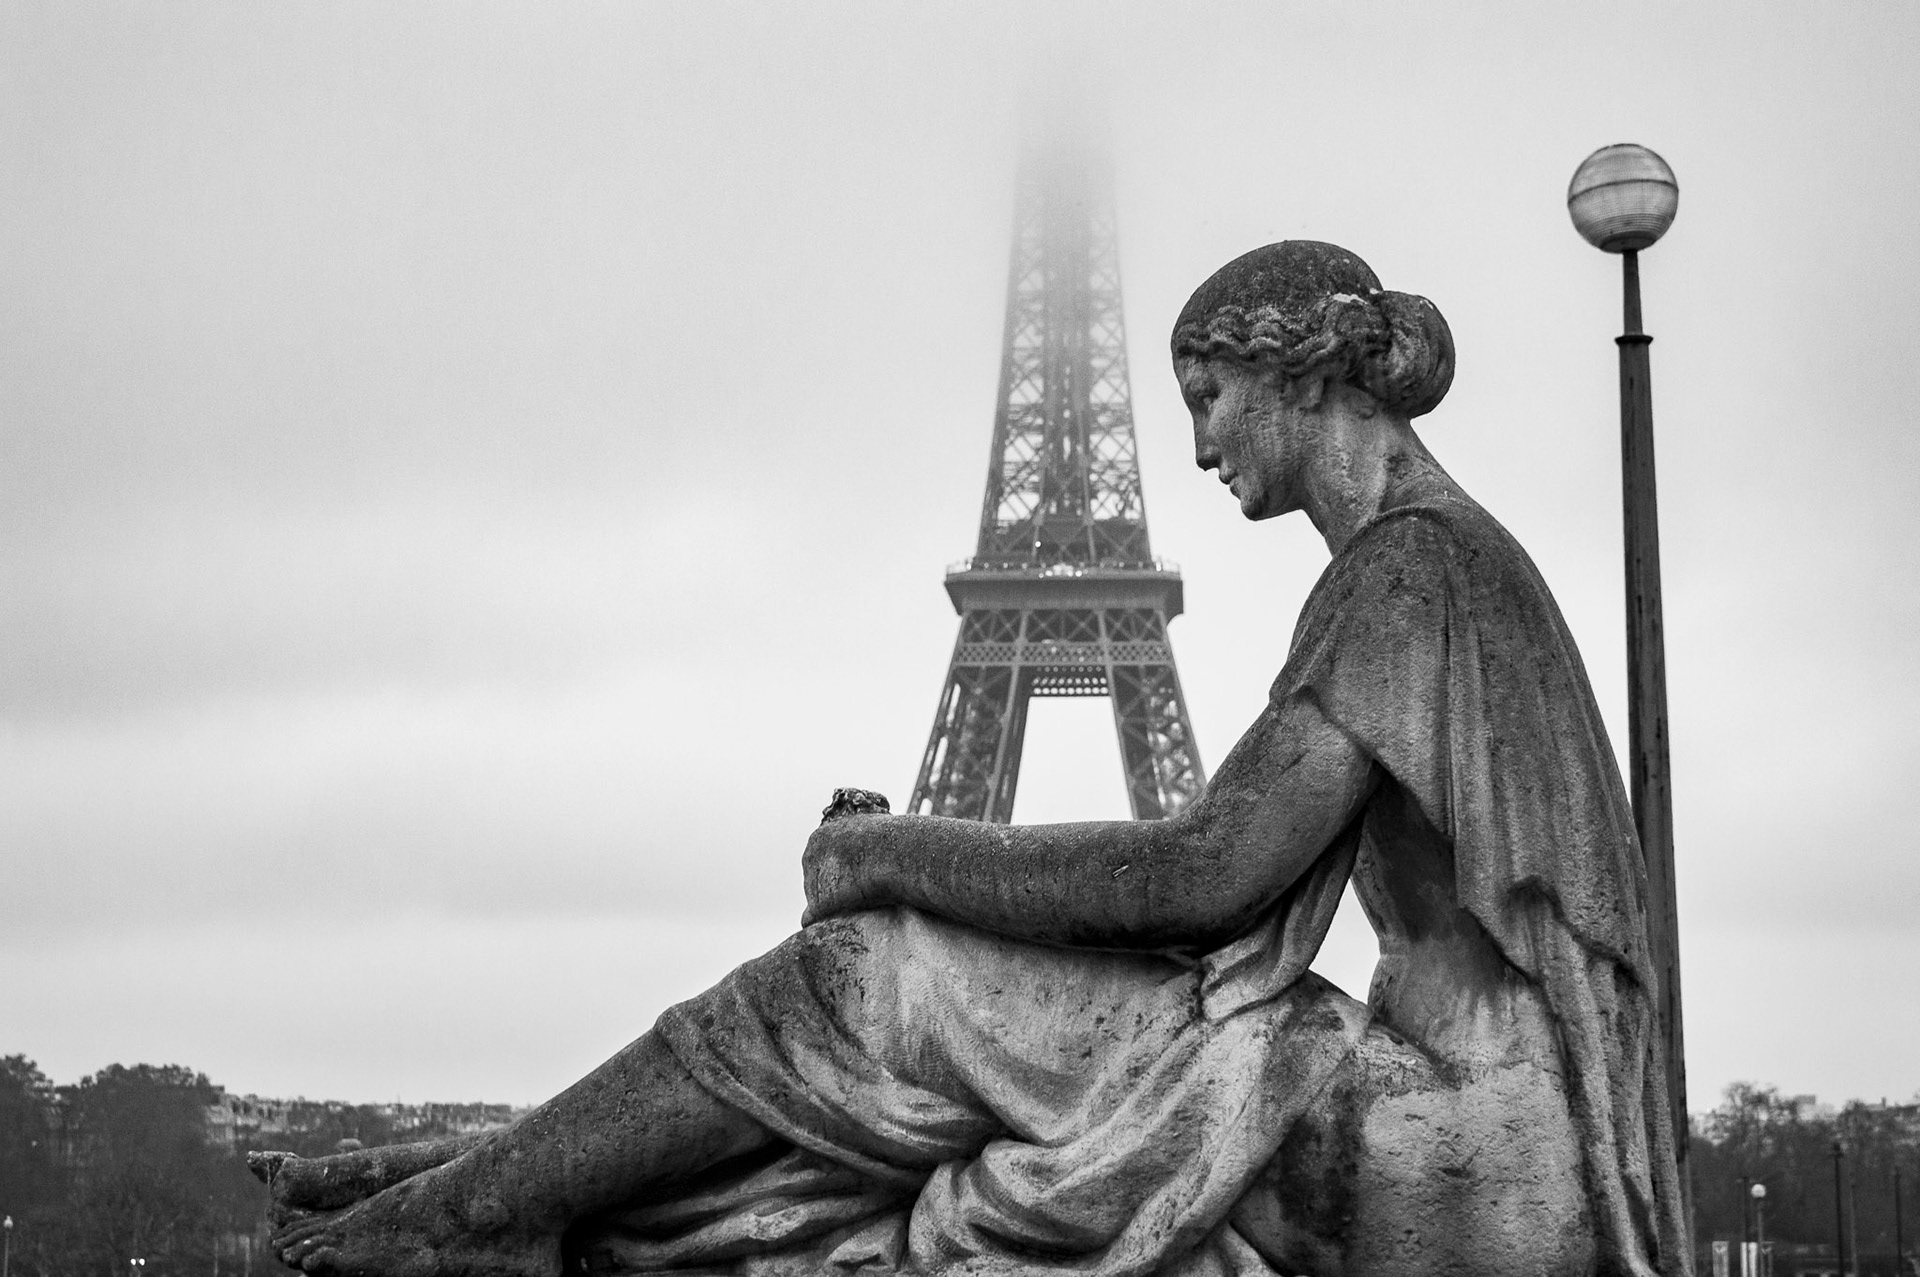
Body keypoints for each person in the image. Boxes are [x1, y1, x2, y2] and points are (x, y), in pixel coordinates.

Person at [261, 241, 1690, 1277]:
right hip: (1444, 1126)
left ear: (1301, 374)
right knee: (903, 1004)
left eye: (1206, 396)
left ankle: (479, 1213)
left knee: (870, 971)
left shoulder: (1411, 575)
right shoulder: (1435, 566)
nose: (1195, 446)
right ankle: (487, 1188)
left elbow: (1203, 876)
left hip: (1449, 1157)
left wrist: (893, 850)